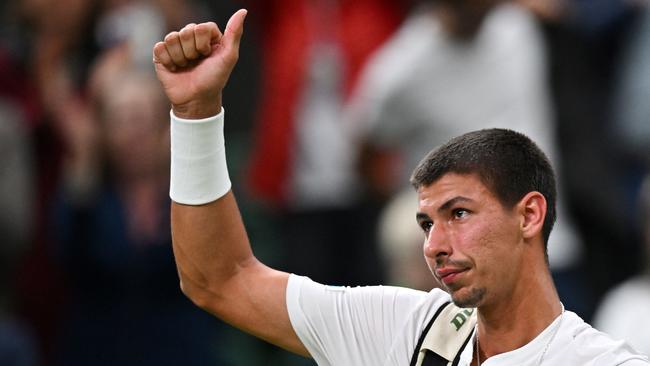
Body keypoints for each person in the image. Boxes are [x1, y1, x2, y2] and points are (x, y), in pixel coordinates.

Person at [152, 10, 650, 365]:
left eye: (458, 214)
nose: (433, 246)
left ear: (529, 215)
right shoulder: (400, 326)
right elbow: (218, 279)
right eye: (425, 223)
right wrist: (195, 112)